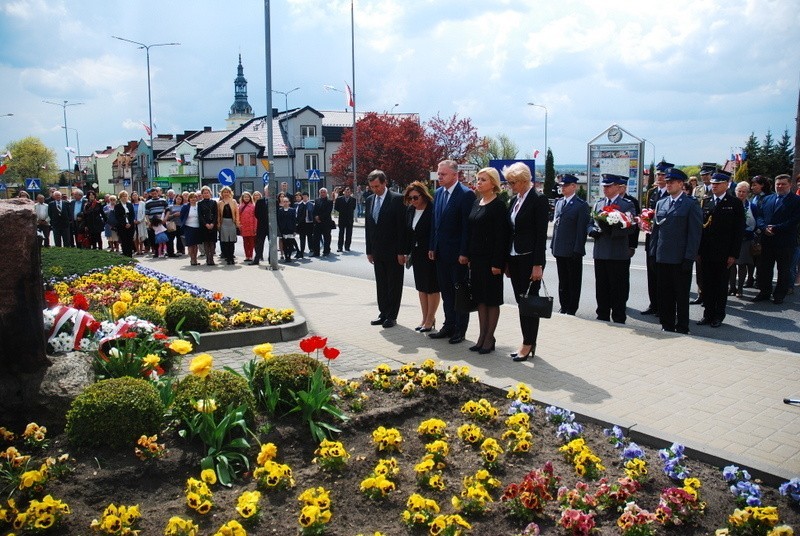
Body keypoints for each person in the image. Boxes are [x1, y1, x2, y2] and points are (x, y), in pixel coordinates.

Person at [648, 168, 702, 334]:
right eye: (667, 182)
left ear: (680, 184)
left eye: (672, 182)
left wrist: (689, 258)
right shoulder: (661, 203)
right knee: (665, 294)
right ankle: (667, 324)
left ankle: (683, 326)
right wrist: (653, 253)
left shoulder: (690, 204)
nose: (668, 184)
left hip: (680, 259)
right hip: (663, 257)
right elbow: (656, 231)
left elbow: (694, 234)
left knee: (681, 295)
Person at [428, 160, 476, 344]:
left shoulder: (465, 195)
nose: (439, 177)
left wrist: (465, 252)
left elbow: (467, 227)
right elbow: (435, 222)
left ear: (455, 175)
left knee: (459, 292)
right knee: (446, 292)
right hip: (441, 253)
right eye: (438, 174)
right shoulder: (439, 193)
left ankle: (460, 329)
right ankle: (448, 325)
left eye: (443, 174)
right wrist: (432, 246)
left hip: (457, 255)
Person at [504, 162, 548, 361]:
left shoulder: (538, 199)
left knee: (530, 303)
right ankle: (527, 341)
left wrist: (537, 264)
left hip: (530, 259)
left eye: (513, 182)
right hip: (515, 258)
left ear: (524, 181)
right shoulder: (515, 199)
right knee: (522, 302)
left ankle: (528, 344)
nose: (510, 185)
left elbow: (541, 235)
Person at [464, 167, 509, 354]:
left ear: (493, 183)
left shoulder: (498, 206)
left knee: (491, 300)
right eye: (478, 179)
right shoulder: (477, 202)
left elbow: (502, 237)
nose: (479, 182)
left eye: (483, 180)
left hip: (492, 262)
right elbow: (471, 231)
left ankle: (490, 337)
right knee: (480, 299)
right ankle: (481, 336)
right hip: (477, 260)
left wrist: (498, 263)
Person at [697, 170, 744, 327]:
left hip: (724, 253)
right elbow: (702, 228)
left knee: (720, 285)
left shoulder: (734, 203)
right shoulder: (706, 201)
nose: (714, 186)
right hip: (707, 252)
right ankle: (707, 314)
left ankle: (718, 315)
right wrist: (699, 251)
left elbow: (738, 231)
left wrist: (733, 254)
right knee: (707, 284)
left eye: (717, 184)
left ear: (726, 184)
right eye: (713, 183)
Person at [589, 174, 637, 324]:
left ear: (618, 187)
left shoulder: (627, 205)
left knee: (618, 289)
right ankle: (602, 315)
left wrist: (612, 230)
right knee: (601, 287)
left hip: (617, 254)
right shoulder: (599, 204)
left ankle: (618, 317)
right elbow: (590, 222)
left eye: (609, 186)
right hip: (601, 252)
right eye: (604, 186)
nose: (605, 189)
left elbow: (631, 227)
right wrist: (591, 230)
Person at [365, 170, 407, 328]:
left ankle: (392, 315)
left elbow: (402, 228)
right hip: (377, 251)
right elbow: (369, 228)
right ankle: (383, 313)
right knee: (381, 284)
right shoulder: (369, 200)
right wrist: (369, 250)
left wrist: (401, 251)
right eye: (372, 187)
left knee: (393, 284)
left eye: (377, 186)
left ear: (384, 183)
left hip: (394, 251)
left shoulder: (397, 199)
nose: (375, 189)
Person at [753, 174, 800, 304]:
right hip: (767, 240)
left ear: (790, 185)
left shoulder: (796, 201)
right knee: (764, 268)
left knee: (783, 269)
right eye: (777, 184)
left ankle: (779, 294)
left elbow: (794, 220)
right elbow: (759, 216)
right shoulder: (767, 199)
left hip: (785, 241)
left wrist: (774, 228)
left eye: (783, 184)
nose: (780, 186)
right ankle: (764, 292)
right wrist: (763, 228)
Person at [550, 174, 590, 315]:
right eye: (562, 186)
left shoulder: (581, 205)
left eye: (566, 185)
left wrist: (578, 249)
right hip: (560, 248)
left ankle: (572, 308)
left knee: (573, 282)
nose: (563, 188)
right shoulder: (560, 202)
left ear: (574, 186)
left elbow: (581, 230)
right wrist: (553, 246)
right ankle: (564, 305)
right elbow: (556, 226)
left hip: (572, 250)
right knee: (563, 281)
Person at [404, 181, 439, 332]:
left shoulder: (432, 209)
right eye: (410, 198)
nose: (413, 201)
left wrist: (432, 248)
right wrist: (406, 252)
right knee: (421, 288)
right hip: (417, 254)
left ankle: (431, 319)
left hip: (430, 254)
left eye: (416, 197)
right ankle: (424, 318)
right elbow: (409, 233)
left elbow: (435, 231)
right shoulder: (411, 210)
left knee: (431, 287)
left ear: (423, 196)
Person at [641, 165, 669, 315]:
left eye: (663, 175)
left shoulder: (671, 194)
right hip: (651, 238)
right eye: (658, 174)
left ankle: (662, 306)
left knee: (662, 276)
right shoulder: (652, 192)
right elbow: (647, 212)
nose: (659, 177)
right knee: (651, 274)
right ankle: (653, 304)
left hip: (664, 240)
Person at [729, 181, 756, 298]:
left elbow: (757, 221)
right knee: (731, 264)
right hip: (731, 238)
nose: (741, 194)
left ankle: (740, 288)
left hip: (746, 238)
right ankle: (732, 287)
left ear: (747, 193)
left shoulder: (752, 206)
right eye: (739, 191)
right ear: (735, 192)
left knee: (742, 263)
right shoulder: (730, 204)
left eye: (744, 192)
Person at [217, 186, 240, 265]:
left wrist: (237, 223)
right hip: (224, 223)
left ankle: (231, 257)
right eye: (224, 192)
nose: (226, 193)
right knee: (225, 241)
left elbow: (237, 213)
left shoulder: (233, 201)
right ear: (222, 193)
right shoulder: (219, 203)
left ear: (230, 193)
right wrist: (218, 224)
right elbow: (218, 215)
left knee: (232, 241)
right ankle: (227, 257)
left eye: (227, 192)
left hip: (232, 223)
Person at [180, 192, 203, 266]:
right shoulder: (185, 207)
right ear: (189, 199)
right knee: (190, 244)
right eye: (191, 197)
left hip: (197, 227)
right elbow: (182, 217)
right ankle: (192, 259)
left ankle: (195, 259)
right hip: (188, 227)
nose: (193, 199)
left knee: (195, 245)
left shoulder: (198, 206)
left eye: (195, 197)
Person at [197, 186, 218, 266]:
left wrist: (213, 223)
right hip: (204, 225)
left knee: (212, 242)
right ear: (202, 194)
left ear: (210, 193)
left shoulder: (214, 202)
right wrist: (206, 224)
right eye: (204, 193)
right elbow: (200, 215)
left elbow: (216, 214)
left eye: (207, 193)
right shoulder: (200, 203)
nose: (206, 194)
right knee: (206, 242)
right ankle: (207, 258)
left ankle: (211, 258)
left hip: (213, 224)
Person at [312, 187, 334, 257]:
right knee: (316, 238)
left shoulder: (329, 201)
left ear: (326, 193)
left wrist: (319, 217)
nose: (322, 193)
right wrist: (316, 217)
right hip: (317, 222)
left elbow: (328, 212)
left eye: (324, 192)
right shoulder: (317, 200)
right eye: (321, 192)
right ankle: (316, 252)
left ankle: (326, 251)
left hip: (326, 222)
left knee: (327, 238)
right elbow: (314, 210)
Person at [114, 190, 136, 258]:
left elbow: (132, 215)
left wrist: (130, 223)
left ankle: (130, 256)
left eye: (126, 196)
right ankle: (125, 255)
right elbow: (118, 216)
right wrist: (124, 224)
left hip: (130, 226)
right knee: (124, 241)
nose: (124, 197)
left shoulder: (130, 205)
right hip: (122, 226)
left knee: (129, 241)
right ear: (120, 197)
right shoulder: (117, 206)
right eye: (123, 196)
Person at [277, 194, 298, 261]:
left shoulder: (292, 210)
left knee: (290, 243)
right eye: (284, 202)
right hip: (283, 229)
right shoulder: (280, 210)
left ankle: (289, 256)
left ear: (289, 202)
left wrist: (294, 230)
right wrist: (279, 230)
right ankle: (286, 256)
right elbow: (279, 220)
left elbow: (294, 221)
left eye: (287, 201)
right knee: (285, 243)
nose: (285, 203)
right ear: (282, 203)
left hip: (290, 229)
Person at [334, 186, 356, 252]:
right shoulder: (339, 199)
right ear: (344, 192)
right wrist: (342, 210)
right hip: (342, 218)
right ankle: (340, 247)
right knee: (341, 233)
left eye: (348, 192)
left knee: (349, 234)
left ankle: (347, 247)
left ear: (350, 193)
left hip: (349, 219)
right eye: (346, 192)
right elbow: (336, 207)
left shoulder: (353, 199)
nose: (347, 193)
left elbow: (353, 208)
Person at [251, 188, 269, 265]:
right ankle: (257, 259)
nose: (269, 191)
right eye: (267, 190)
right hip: (261, 225)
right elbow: (256, 213)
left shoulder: (275, 201)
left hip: (271, 226)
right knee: (259, 243)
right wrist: (263, 220)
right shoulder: (259, 201)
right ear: (264, 191)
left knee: (272, 243)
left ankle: (271, 259)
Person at [238, 191, 257, 262]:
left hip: (251, 226)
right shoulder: (240, 206)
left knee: (251, 243)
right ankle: (247, 256)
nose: (246, 198)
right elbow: (239, 217)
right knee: (245, 242)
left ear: (250, 198)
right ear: (242, 198)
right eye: (245, 197)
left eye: (248, 197)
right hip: (244, 226)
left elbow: (255, 218)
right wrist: (239, 225)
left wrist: (255, 227)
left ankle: (251, 256)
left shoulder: (253, 206)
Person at [296, 192, 314, 258]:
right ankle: (302, 250)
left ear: (308, 197)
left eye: (306, 196)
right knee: (302, 238)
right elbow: (297, 214)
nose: (305, 198)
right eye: (303, 197)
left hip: (309, 223)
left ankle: (311, 249)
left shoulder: (311, 204)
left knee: (310, 237)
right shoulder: (299, 205)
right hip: (302, 224)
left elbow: (313, 213)